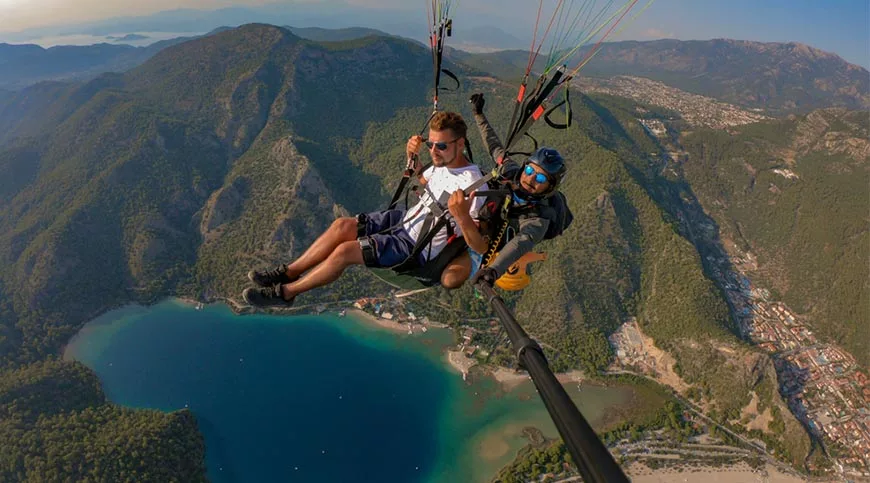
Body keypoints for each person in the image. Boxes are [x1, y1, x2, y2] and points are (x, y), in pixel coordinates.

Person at [243, 111, 490, 307]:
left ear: (460, 144)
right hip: (403, 220)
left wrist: (462, 218)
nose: (434, 151)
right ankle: (289, 272)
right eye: (431, 144)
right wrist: (413, 160)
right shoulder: (442, 163)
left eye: (441, 146)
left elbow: (480, 247)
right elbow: (429, 183)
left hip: (414, 247)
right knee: (342, 225)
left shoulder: (473, 185)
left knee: (345, 251)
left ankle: (286, 293)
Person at [466, 92, 572, 287]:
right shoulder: (511, 173)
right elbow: (494, 146)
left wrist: (493, 270)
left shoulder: (539, 216)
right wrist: (478, 114)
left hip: (496, 245)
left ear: (550, 187)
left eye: (540, 177)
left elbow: (522, 241)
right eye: (530, 170)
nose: (530, 178)